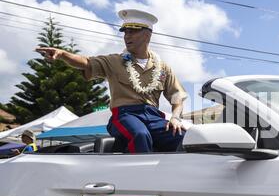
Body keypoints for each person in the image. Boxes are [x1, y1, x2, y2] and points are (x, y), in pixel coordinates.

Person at [36, 9, 188, 153]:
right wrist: (62, 54)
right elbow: (86, 62)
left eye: (133, 31)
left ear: (147, 35)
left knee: (183, 136)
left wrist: (175, 117)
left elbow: (177, 96)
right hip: (125, 115)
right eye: (125, 32)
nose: (127, 36)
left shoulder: (162, 67)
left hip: (153, 116)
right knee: (140, 134)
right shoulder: (114, 61)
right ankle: (142, 176)